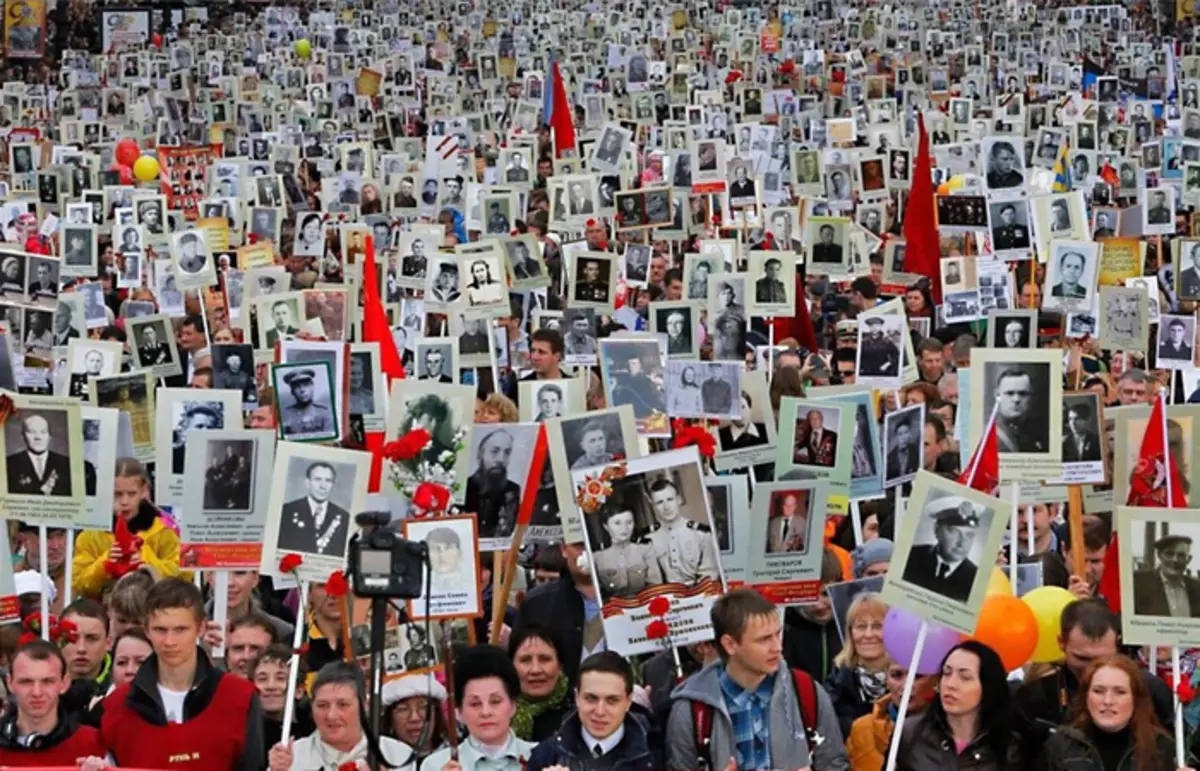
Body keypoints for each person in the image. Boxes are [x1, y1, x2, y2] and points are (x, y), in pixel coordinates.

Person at [666, 588, 849, 771]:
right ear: (730, 644)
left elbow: (834, 763)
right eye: (764, 639)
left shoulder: (806, 692)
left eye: (777, 634)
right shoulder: (692, 710)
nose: (777, 647)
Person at [100, 578, 265, 771]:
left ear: (201, 628)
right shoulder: (117, 706)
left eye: (180, 630)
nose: (169, 641)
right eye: (160, 630)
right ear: (146, 630)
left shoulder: (240, 697)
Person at [1010, 599, 1175, 766]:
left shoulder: (1151, 690)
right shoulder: (1034, 697)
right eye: (1082, 658)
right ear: (1061, 642)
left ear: (1117, 644)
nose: (1092, 668)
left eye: (1120, 692)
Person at [1033, 655, 1179, 771]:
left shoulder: (1160, 747)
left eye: (1120, 692)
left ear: (1135, 698)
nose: (1108, 701)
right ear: (1086, 696)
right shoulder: (1060, 744)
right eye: (1098, 691)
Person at [266, 662, 411, 771]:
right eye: (322, 705)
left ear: (364, 705)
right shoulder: (291, 759)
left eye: (343, 704)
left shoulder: (398, 756)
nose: (331, 715)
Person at [893, 641, 1012, 771]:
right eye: (946, 673)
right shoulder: (910, 733)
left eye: (965, 677)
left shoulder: (1010, 746)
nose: (951, 684)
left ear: (988, 686)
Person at [527, 651, 657, 771]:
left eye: (612, 700)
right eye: (591, 698)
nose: (600, 711)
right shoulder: (546, 755)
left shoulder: (656, 756)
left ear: (628, 702)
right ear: (577, 697)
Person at [418, 646, 535, 771]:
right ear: (458, 712)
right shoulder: (435, 765)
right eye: (475, 704)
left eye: (495, 701)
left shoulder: (540, 755)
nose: (486, 712)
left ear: (513, 705)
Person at [0, 640, 107, 766]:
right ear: (10, 683)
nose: (37, 692)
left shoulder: (91, 743)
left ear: (65, 683)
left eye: (47, 681)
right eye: (26, 682)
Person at [827, 593, 891, 738]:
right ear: (851, 633)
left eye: (877, 626)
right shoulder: (836, 683)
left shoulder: (909, 680)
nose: (868, 634)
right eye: (861, 627)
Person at [901, 496, 982, 603]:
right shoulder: (910, 557)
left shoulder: (977, 579)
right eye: (953, 531)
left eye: (969, 535)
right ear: (936, 529)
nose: (961, 543)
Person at [642, 478, 720, 585]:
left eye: (670, 499)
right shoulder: (648, 539)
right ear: (654, 506)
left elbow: (710, 573)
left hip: (700, 593)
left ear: (679, 500)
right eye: (660, 502)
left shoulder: (701, 534)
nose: (666, 507)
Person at [277, 462, 350, 556]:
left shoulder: (345, 517)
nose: (323, 486)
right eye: (317, 479)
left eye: (328, 481)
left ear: (333, 484)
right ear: (307, 483)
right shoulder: (286, 512)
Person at [592, 506, 664, 598]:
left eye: (629, 522)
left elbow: (656, 584)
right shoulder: (597, 556)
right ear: (606, 526)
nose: (625, 528)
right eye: (617, 523)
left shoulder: (645, 548)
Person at [464, 428, 521, 539]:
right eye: (495, 451)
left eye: (507, 453)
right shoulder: (465, 488)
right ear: (481, 454)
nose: (501, 459)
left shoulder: (512, 491)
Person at [1132, 534, 1200, 617]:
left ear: (1188, 559)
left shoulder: (1197, 589)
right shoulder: (1138, 583)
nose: (1175, 560)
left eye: (1181, 555)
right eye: (1169, 554)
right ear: (1159, 555)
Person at [6, 413, 72, 496]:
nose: (38, 437)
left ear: (49, 436)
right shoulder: (8, 465)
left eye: (43, 432)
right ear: (23, 436)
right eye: (31, 432)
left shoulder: (67, 464)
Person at [993, 367, 1047, 453]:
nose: (1016, 399)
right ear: (997, 395)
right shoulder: (989, 434)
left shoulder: (1041, 432)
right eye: (1009, 393)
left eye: (1023, 394)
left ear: (1031, 397)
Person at [279, 368, 333, 437]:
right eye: (297, 387)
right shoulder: (285, 414)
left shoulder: (325, 412)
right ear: (292, 391)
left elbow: (329, 438)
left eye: (306, 385)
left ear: (312, 387)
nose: (302, 390)